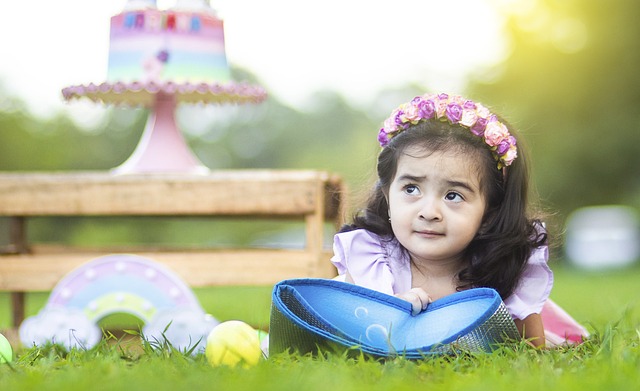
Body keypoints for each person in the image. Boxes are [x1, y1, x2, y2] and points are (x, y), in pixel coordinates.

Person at [331, 93, 587, 348]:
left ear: (489, 213)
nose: (429, 212)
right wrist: (393, 313)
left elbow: (531, 348)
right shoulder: (369, 258)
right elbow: (346, 337)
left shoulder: (504, 267)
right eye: (411, 189)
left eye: (453, 195)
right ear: (387, 195)